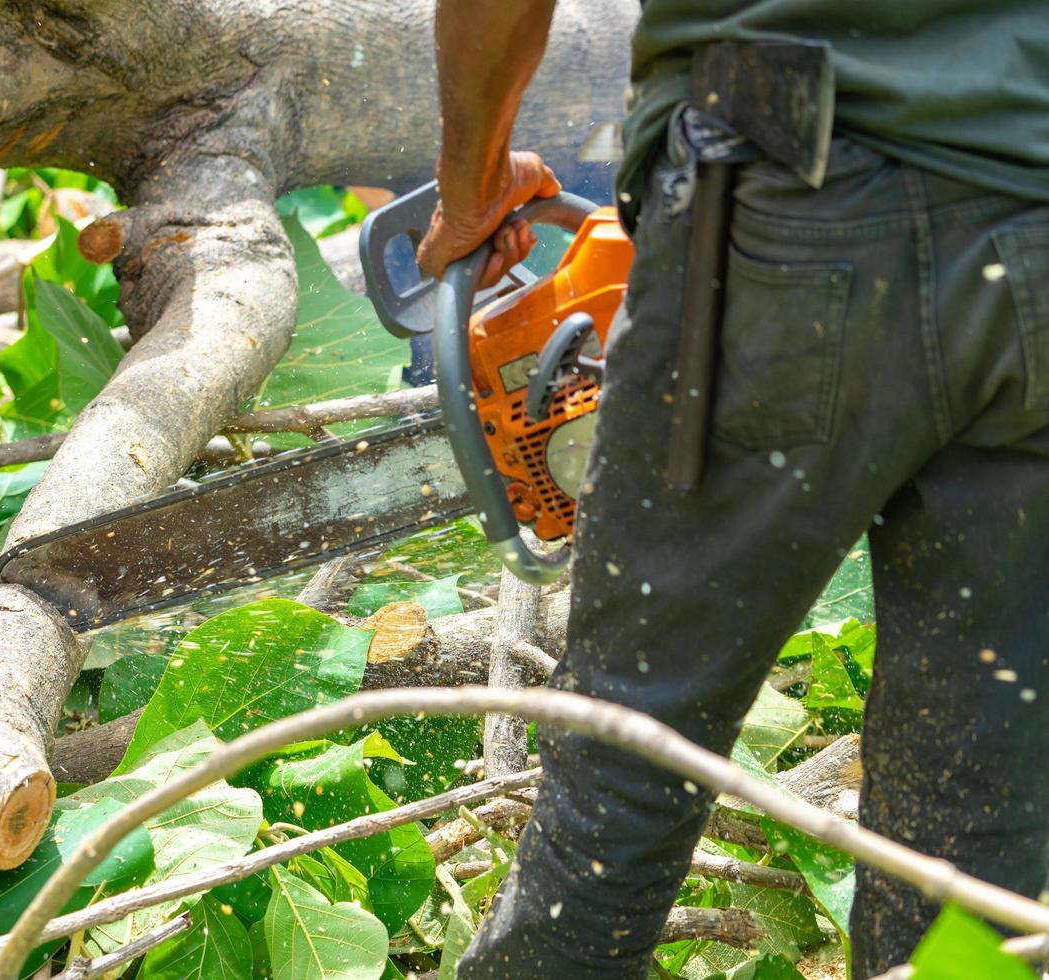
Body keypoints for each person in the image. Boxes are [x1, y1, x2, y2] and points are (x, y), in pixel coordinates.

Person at [416, 2, 1049, 977]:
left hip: (786, 192)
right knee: (980, 834)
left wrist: (472, 183)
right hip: (1035, 216)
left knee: (623, 776)